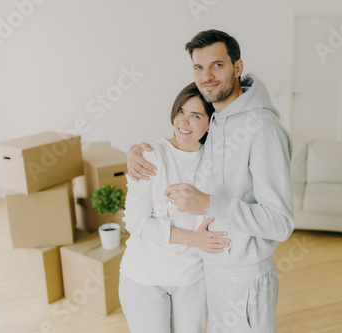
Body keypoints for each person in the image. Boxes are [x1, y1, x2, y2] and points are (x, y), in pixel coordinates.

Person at [128, 30, 294, 333]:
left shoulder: (263, 130)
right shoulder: (217, 119)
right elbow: (181, 147)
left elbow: (280, 222)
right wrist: (137, 151)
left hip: (245, 279)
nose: (207, 76)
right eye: (198, 68)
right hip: (211, 273)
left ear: (237, 68)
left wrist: (208, 204)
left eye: (217, 65)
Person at [119, 82, 230, 333]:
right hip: (144, 277)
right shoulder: (151, 156)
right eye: (180, 111)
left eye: (195, 115)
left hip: (191, 279)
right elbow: (136, 223)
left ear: (210, 123)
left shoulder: (216, 162)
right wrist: (193, 239)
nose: (183, 122)